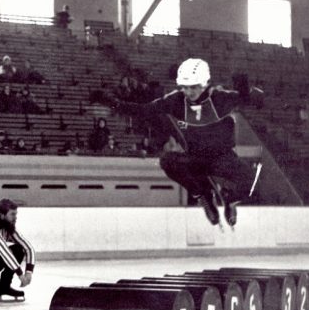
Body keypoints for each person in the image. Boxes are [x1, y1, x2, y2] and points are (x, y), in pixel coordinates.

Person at [108, 58, 263, 227]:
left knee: (253, 179)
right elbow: (144, 110)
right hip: (195, 158)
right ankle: (203, 195)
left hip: (222, 158)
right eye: (185, 87)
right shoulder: (175, 100)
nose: (189, 92)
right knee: (167, 161)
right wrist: (113, 103)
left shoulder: (220, 97)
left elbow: (249, 99)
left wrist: (243, 84)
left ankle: (231, 200)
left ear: (204, 83)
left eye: (194, 86)